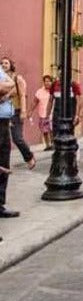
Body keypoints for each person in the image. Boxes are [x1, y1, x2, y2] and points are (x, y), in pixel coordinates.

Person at [1, 57, 36, 170]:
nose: (4, 65)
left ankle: (29, 157)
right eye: (2, 63)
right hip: (4, 113)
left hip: (16, 112)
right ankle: (4, 163)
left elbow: (22, 95)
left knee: (17, 138)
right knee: (3, 140)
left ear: (11, 65)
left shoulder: (17, 78)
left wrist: (23, 111)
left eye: (6, 63)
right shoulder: (2, 78)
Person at [0, 58, 20, 219]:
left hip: (4, 121)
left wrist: (5, 90)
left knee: (4, 161)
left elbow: (12, 86)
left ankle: (0, 203)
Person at [30, 74, 54, 150]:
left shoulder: (54, 91)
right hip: (42, 114)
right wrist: (30, 111)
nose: (47, 83)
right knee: (45, 131)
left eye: (49, 81)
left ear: (51, 82)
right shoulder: (40, 91)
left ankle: (53, 144)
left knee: (51, 130)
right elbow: (34, 102)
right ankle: (47, 145)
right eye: (45, 81)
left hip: (52, 114)